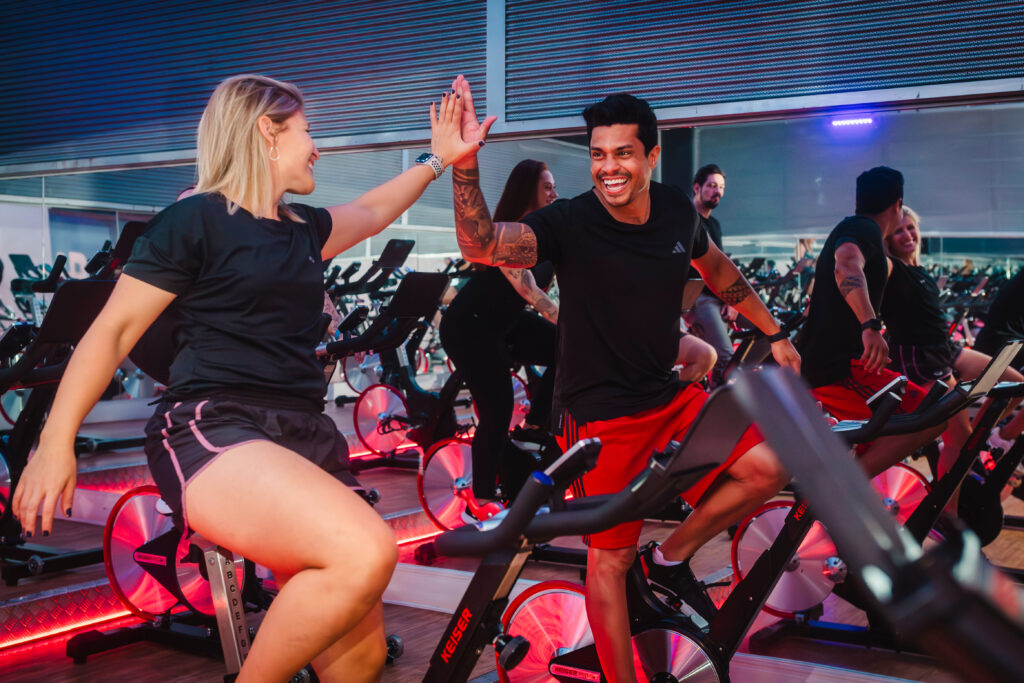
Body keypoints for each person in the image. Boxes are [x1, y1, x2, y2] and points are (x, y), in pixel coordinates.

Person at [11, 74, 478, 682]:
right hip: (214, 425)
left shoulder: (303, 229)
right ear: (266, 130)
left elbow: (369, 211)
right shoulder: (194, 221)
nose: (317, 147)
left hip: (305, 432)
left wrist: (439, 158)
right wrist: (54, 443)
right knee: (364, 550)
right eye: (307, 131)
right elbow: (113, 331)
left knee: (360, 658)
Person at [443, 74, 800, 682]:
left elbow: (714, 267)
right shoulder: (570, 221)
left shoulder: (675, 211)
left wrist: (774, 332)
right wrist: (464, 164)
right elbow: (479, 243)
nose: (608, 168)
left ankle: (670, 556)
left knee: (770, 466)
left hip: (666, 395)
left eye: (623, 154)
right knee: (607, 564)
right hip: (599, 416)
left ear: (652, 156)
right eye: (598, 154)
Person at [798, 167, 946, 479]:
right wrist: (870, 326)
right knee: (931, 417)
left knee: (909, 421)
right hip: (837, 368)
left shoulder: (859, 228)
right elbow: (846, 265)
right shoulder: (863, 230)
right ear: (898, 204)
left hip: (849, 365)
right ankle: (844, 493)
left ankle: (853, 494)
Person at [440, 158, 560, 501]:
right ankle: (482, 497)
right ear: (528, 190)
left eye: (553, 187)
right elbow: (529, 290)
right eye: (547, 187)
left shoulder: (542, 233)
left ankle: (534, 428)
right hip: (470, 325)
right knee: (497, 408)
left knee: (564, 346)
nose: (554, 193)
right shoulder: (508, 232)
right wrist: (562, 318)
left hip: (505, 322)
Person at [881, 206, 1024, 471]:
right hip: (922, 358)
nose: (907, 235)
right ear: (887, 239)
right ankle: (949, 510)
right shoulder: (893, 269)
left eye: (910, 227)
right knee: (957, 442)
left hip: (947, 348)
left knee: (1015, 384)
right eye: (898, 231)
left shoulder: (919, 269)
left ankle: (983, 437)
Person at [683, 164, 735, 386]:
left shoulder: (714, 224)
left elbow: (720, 265)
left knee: (763, 333)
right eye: (712, 185)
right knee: (725, 354)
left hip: (715, 293)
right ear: (697, 187)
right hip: (697, 297)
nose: (718, 192)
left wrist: (732, 301)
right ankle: (715, 402)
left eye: (721, 187)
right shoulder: (685, 219)